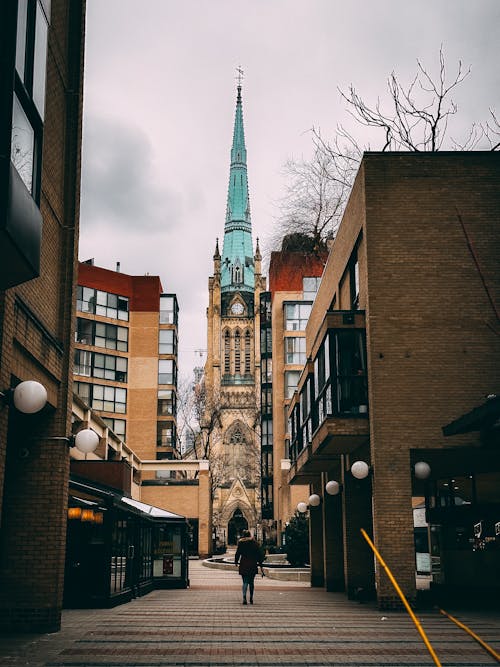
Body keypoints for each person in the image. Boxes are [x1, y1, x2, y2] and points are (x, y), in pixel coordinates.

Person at [234, 529, 264, 605]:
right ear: (250, 535)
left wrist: (236, 562)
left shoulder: (241, 543)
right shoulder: (255, 543)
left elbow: (237, 553)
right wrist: (260, 565)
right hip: (252, 563)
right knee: (251, 582)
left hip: (244, 563)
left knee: (245, 582)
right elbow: (259, 554)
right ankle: (251, 598)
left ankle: (244, 597)